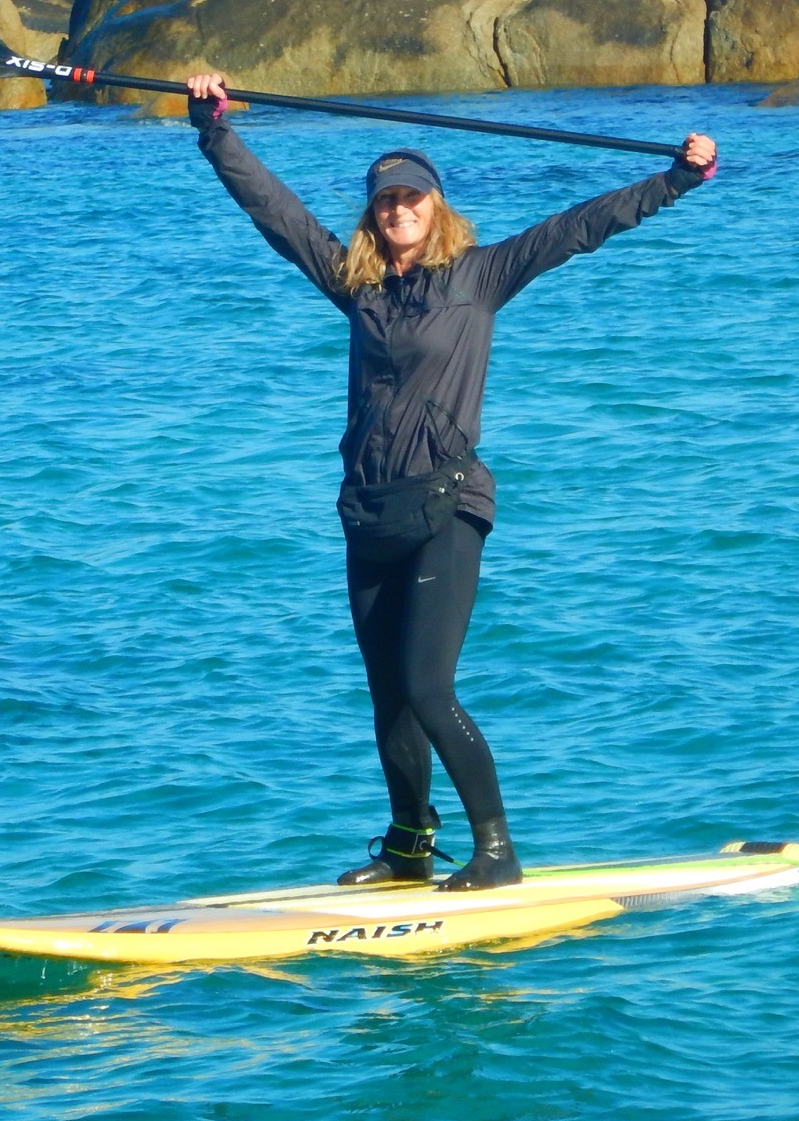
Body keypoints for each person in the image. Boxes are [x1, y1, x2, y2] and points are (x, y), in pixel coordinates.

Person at [185, 71, 717, 891]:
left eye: (412, 200)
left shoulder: (482, 275)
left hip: (446, 505)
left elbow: (579, 227)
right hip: (368, 514)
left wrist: (674, 181)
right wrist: (215, 131)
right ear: (374, 214)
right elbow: (278, 215)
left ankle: (497, 853)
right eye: (386, 202)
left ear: (436, 208)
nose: (398, 212)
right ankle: (407, 848)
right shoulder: (356, 286)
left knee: (431, 687)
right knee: (390, 701)